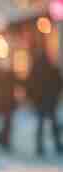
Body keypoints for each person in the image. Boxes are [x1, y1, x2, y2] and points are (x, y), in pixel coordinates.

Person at [25, 27, 63, 156]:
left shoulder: (40, 66)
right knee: (49, 123)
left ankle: (42, 146)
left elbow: (57, 81)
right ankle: (51, 145)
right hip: (46, 98)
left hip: (44, 98)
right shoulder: (46, 66)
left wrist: (32, 96)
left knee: (45, 123)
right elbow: (57, 80)